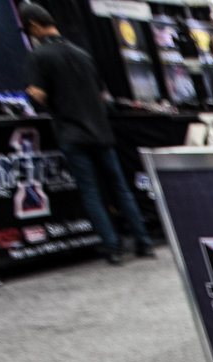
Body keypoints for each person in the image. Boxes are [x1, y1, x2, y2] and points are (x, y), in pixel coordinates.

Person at [19, 4, 153, 265]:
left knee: (91, 192)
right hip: (101, 132)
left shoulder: (40, 56)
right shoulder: (83, 54)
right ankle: (143, 241)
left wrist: (33, 97)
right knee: (120, 189)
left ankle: (112, 247)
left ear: (34, 25)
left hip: (72, 133)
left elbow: (38, 96)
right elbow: (104, 97)